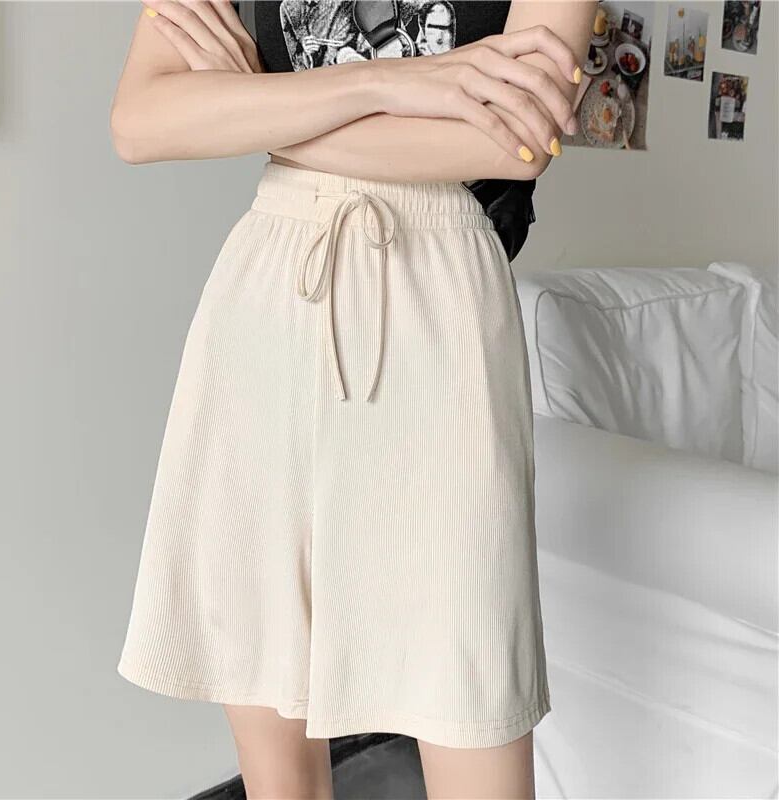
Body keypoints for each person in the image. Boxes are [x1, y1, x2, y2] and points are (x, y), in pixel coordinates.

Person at [111, 1, 596, 797]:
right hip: (272, 295)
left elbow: (510, 142)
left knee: (470, 682)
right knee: (272, 718)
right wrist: (389, 83)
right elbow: (138, 121)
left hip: (442, 304)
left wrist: (258, 106)